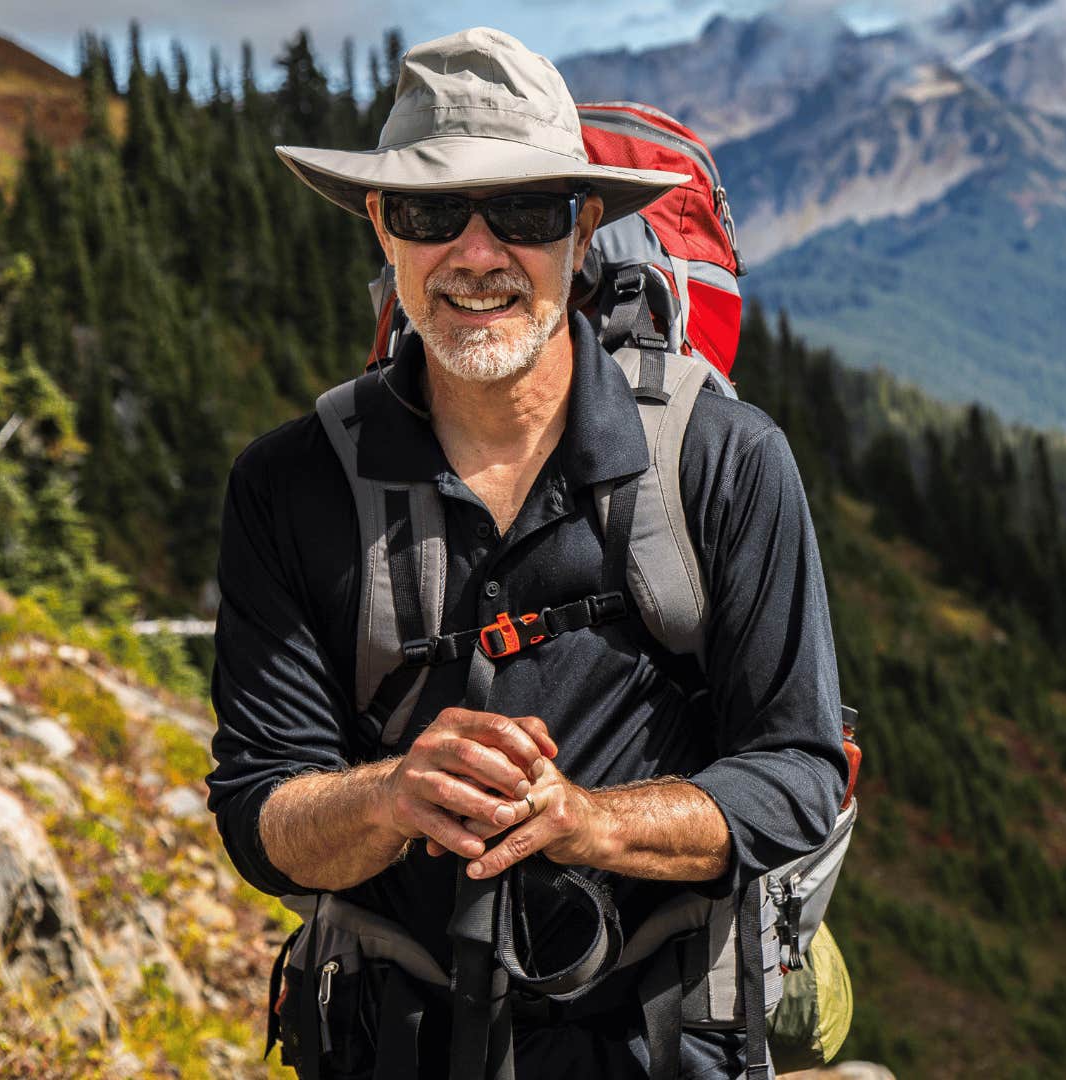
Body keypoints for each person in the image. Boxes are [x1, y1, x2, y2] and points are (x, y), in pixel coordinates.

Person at [206, 27, 847, 1076]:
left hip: (659, 1039)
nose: (476, 254)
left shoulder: (725, 463)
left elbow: (797, 774)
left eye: (523, 210)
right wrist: (392, 796)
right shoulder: (290, 486)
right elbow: (259, 809)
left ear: (582, 229)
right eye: (429, 212)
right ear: (382, 225)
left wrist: (590, 822)